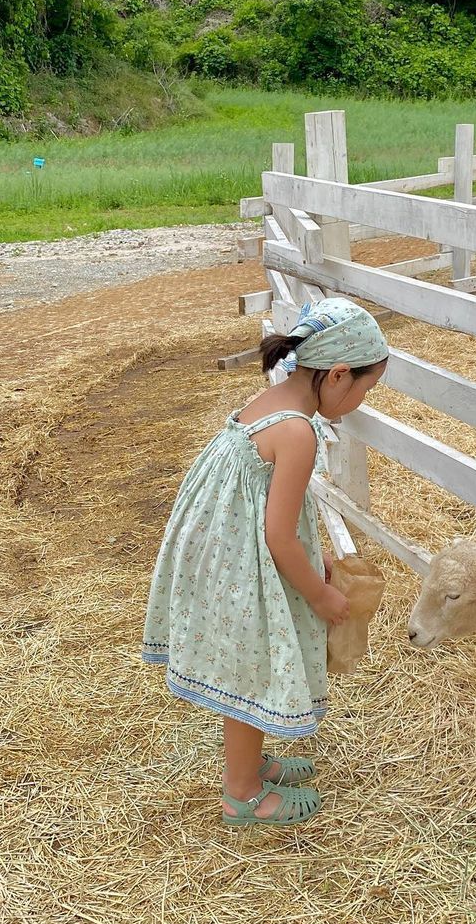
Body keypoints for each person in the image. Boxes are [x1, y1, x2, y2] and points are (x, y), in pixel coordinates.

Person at [142, 297, 388, 826]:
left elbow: (268, 507)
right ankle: (243, 795)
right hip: (245, 562)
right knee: (250, 673)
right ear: (339, 375)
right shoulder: (298, 431)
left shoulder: (272, 400)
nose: (363, 400)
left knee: (247, 666)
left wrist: (313, 550)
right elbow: (278, 536)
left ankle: (249, 764)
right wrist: (321, 595)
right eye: (367, 387)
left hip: (225, 551)